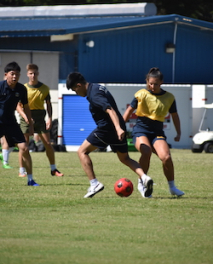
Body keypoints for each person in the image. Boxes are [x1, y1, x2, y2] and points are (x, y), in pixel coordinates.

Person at [66, 72, 153, 198]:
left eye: (75, 90)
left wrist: (117, 128)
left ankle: (94, 184)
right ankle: (144, 177)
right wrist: (119, 127)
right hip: (118, 127)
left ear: (79, 85)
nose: (76, 94)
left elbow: (109, 109)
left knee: (82, 152)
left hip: (107, 129)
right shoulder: (97, 87)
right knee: (125, 158)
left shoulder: (93, 94)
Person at [123, 67, 184, 197]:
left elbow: (175, 115)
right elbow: (129, 111)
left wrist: (179, 132)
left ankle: (172, 187)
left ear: (161, 82)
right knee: (146, 151)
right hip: (141, 130)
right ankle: (142, 183)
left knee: (166, 157)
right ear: (147, 81)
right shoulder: (141, 94)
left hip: (157, 132)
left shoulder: (169, 97)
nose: (152, 86)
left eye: (156, 84)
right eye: (150, 83)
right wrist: (120, 127)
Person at [17, 64, 63, 177]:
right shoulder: (23, 88)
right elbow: (18, 105)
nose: (33, 75)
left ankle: (53, 169)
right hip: (26, 117)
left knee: (48, 143)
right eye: (31, 73)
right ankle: (21, 170)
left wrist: (50, 119)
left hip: (40, 117)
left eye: (35, 73)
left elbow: (48, 105)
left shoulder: (44, 88)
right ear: (27, 74)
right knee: (24, 145)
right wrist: (25, 116)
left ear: (38, 73)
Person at [0, 61, 39, 186]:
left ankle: (30, 179)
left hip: (11, 122)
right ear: (6, 75)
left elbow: (26, 107)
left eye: (17, 74)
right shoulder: (0, 86)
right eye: (12, 74)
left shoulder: (22, 89)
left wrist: (31, 125)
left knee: (25, 148)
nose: (14, 77)